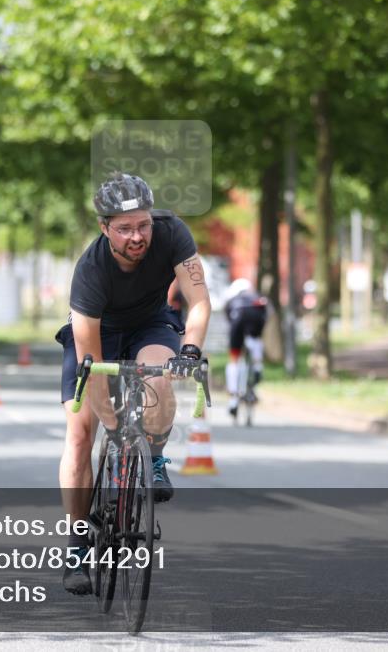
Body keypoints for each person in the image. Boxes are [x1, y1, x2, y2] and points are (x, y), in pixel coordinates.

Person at [55, 172, 211, 595]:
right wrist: (114, 424)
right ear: (104, 228)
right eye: (124, 229)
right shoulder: (90, 270)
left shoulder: (172, 231)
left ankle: (155, 458)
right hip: (96, 334)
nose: (137, 236)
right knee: (80, 432)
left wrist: (191, 349)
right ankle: (77, 542)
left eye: (143, 225)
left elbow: (199, 300)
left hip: (150, 324)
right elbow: (93, 357)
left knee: (159, 377)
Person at [224, 278, 267, 418]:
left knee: (235, 358)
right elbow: (267, 314)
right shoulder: (256, 296)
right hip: (257, 315)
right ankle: (257, 366)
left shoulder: (231, 299)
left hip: (237, 318)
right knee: (256, 340)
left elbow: (229, 320)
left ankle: (233, 399)